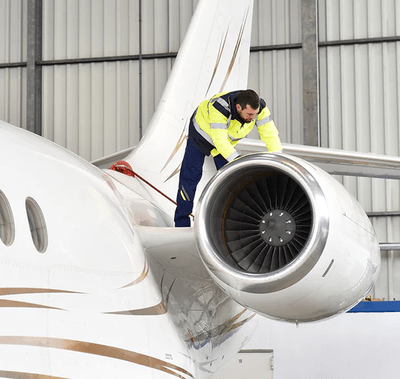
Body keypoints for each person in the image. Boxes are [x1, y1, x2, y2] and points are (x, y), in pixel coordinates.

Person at [174, 89, 282, 227]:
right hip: (201, 136)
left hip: (225, 141)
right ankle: (181, 224)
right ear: (238, 107)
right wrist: (238, 162)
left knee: (233, 182)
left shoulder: (259, 109)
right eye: (249, 114)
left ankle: (230, 225)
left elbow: (270, 134)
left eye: (255, 114)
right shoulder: (219, 108)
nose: (253, 118)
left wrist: (278, 158)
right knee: (189, 178)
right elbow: (220, 141)